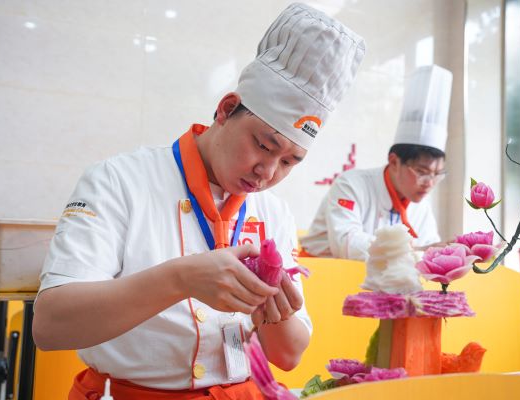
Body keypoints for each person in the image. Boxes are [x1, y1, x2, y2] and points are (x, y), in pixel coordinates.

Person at [32, 3, 365, 399]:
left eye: (289, 161)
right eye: (263, 145)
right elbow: (50, 326)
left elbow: (288, 356)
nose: (267, 172)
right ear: (226, 109)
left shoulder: (273, 212)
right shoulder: (119, 181)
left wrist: (276, 312)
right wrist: (180, 279)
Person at [301, 65, 452, 261]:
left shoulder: (420, 205)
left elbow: (429, 248)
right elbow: (345, 244)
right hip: (324, 270)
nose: (429, 183)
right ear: (394, 162)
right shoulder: (351, 184)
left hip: (381, 276)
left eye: (437, 174)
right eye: (422, 171)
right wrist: (413, 251)